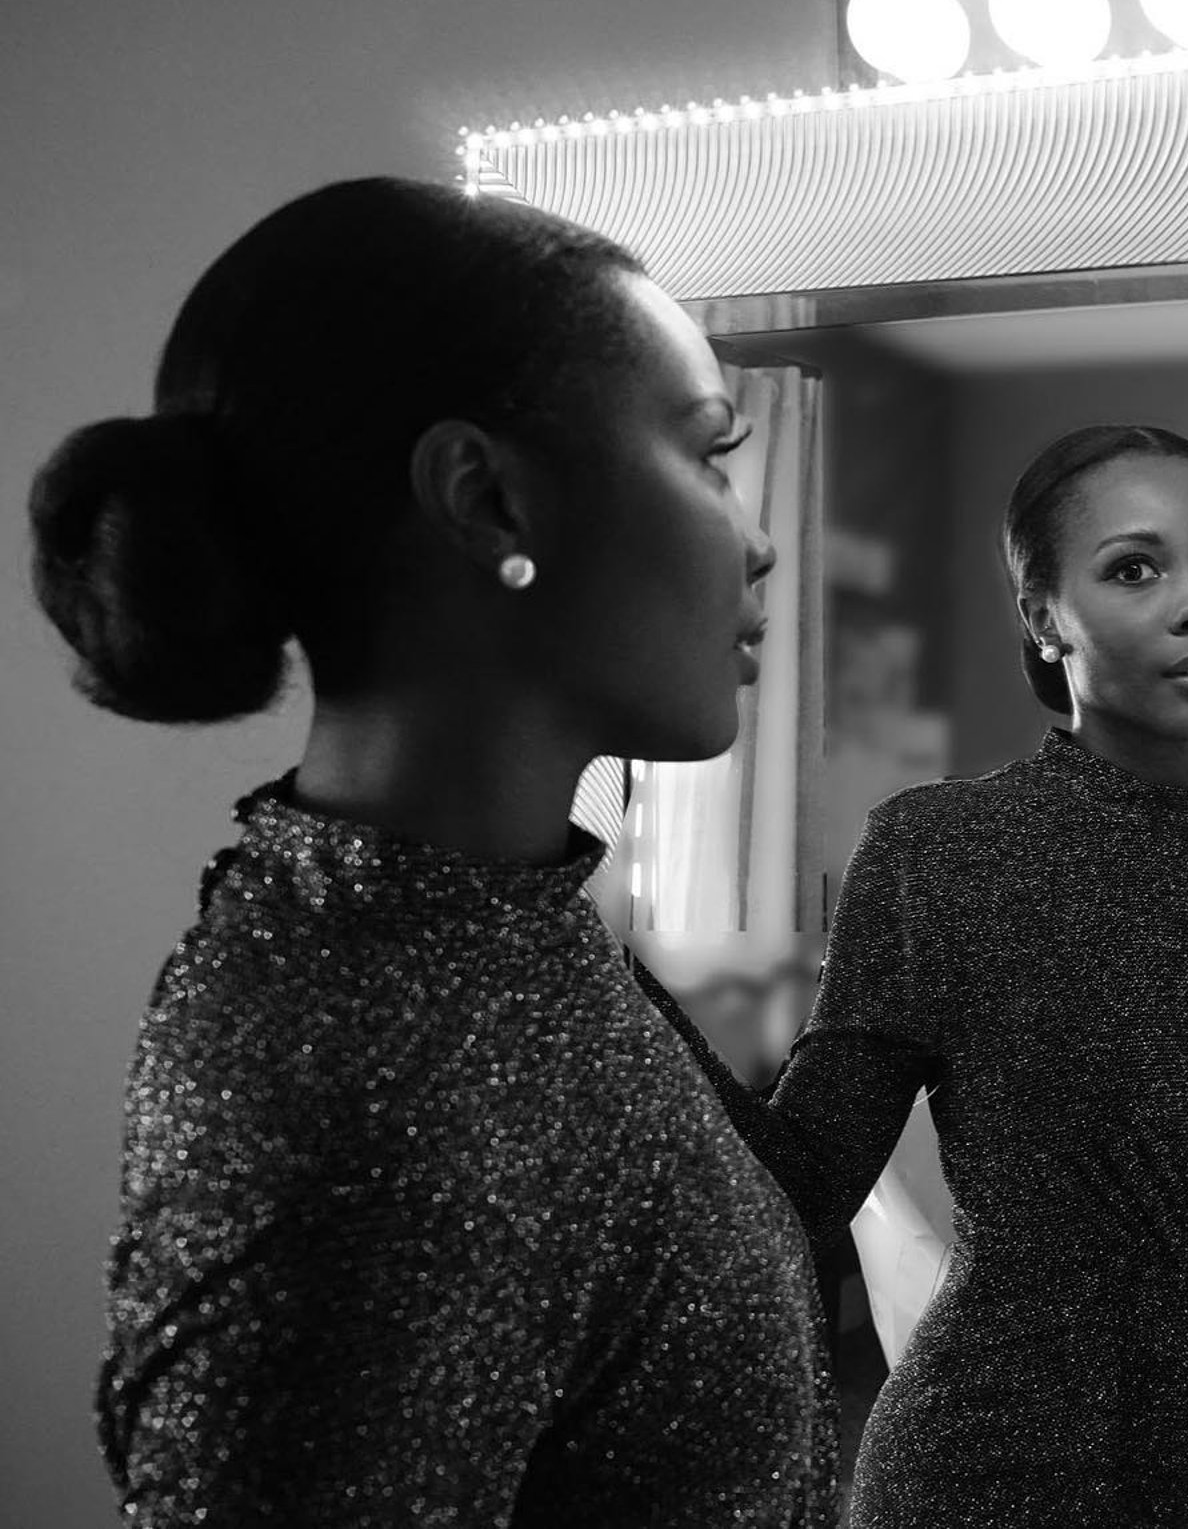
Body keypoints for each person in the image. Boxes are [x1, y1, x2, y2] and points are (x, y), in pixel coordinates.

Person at [28, 177, 838, 1526]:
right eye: (706, 455)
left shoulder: (488, 926)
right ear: (488, 499)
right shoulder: (362, 1068)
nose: (755, 541)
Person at [673, 424, 1188, 1525]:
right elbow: (801, 1183)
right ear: (1044, 616)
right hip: (985, 1478)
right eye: (1135, 567)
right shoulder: (941, 849)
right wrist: (597, 961)